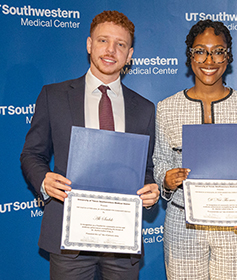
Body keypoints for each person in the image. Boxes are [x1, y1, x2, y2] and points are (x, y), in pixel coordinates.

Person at [20, 10, 159, 280]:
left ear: (129, 54)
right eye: (103, 41)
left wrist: (150, 192)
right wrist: (43, 180)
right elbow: (32, 154)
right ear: (89, 45)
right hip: (69, 238)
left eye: (120, 44)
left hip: (122, 238)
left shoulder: (144, 109)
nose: (111, 50)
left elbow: (146, 169)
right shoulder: (54, 96)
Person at [152, 19, 237, 279]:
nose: (209, 60)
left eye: (218, 51)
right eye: (200, 51)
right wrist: (166, 178)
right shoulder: (167, 107)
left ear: (228, 57)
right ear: (190, 55)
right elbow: (160, 161)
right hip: (183, 223)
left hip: (236, 225)